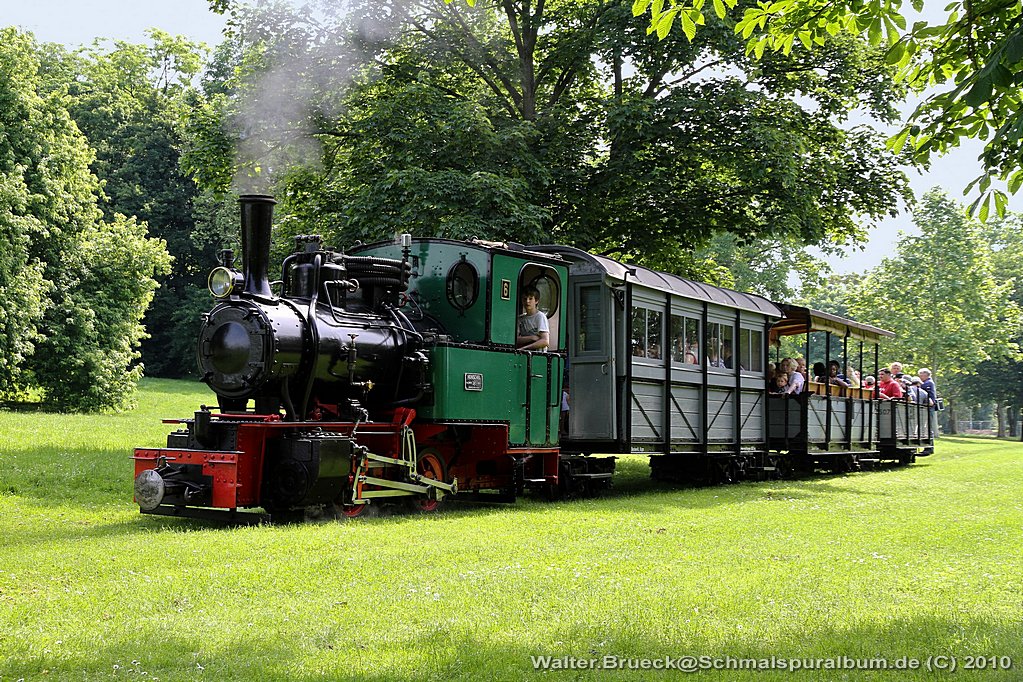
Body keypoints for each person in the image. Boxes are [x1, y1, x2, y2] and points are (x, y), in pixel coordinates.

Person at [516, 287, 549, 351]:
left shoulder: (540, 317)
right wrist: (532, 338)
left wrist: (524, 348)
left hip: (538, 356)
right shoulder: (520, 319)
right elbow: (515, 339)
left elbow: (545, 341)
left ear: (536, 301)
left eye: (530, 299)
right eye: (524, 299)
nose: (527, 301)